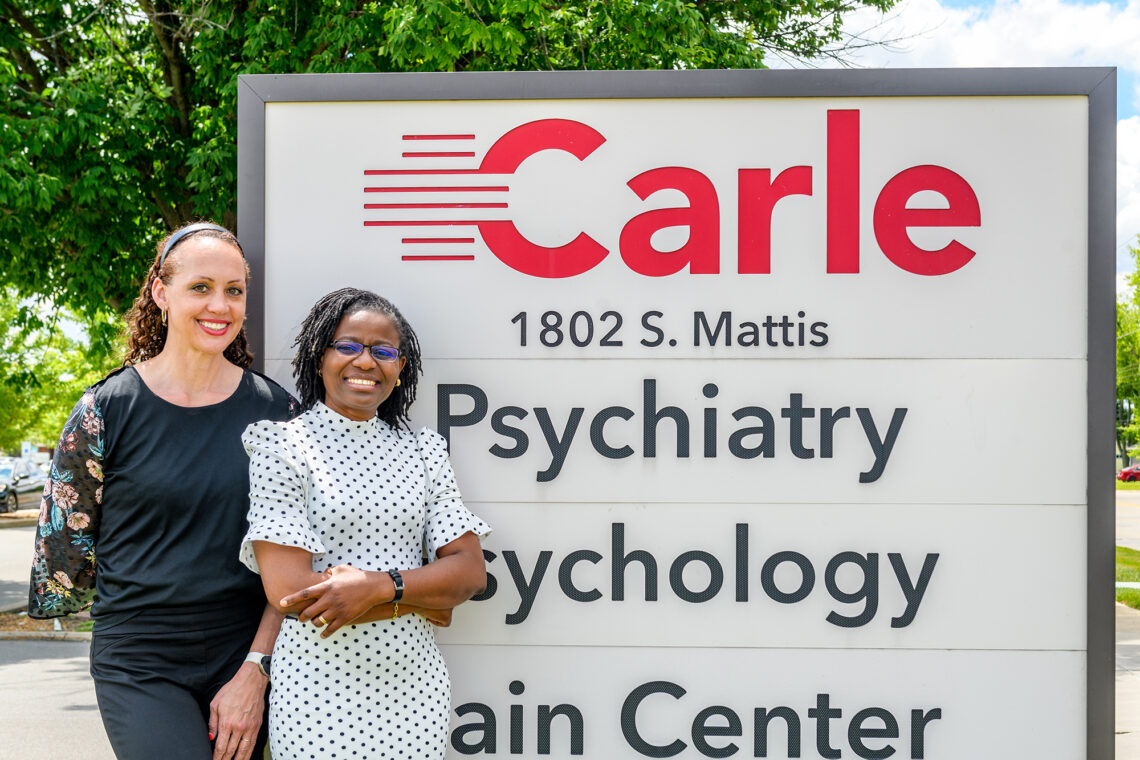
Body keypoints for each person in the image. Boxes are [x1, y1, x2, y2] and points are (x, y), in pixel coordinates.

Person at [28, 221, 298, 760]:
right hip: (138, 661)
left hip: (245, 655)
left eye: (234, 290)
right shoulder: (105, 410)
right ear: (161, 292)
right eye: (200, 287)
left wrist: (256, 668)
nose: (219, 305)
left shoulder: (277, 414)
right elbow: (65, 552)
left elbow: (296, 559)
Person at [239, 287, 490, 760]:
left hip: (415, 691)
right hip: (317, 691)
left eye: (384, 351)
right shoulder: (281, 446)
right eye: (348, 346)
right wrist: (419, 598)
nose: (366, 361)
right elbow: (291, 592)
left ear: (400, 369)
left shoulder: (424, 451)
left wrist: (380, 586)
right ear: (319, 358)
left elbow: (469, 572)